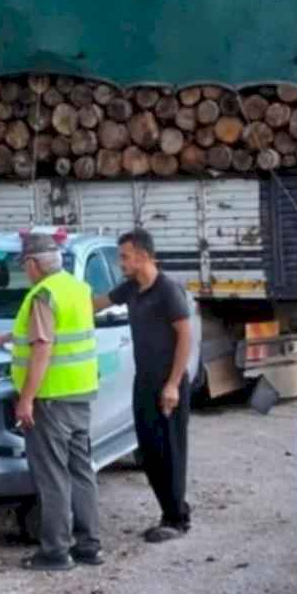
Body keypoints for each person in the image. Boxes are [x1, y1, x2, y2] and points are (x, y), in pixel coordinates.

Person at [0, 233, 102, 571]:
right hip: (79, 394)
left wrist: (26, 399)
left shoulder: (43, 294)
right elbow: (55, 332)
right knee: (80, 471)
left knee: (52, 477)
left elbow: (43, 346)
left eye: (25, 265)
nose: (25, 271)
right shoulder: (76, 288)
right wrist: (6, 337)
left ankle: (55, 551)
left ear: (33, 263)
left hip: (50, 399)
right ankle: (89, 546)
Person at [93, 228, 194, 543]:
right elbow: (95, 304)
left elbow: (185, 336)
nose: (120, 262)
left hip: (168, 384)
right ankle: (172, 509)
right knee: (149, 452)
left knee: (170, 451)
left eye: (124, 257)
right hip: (144, 382)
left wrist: (173, 384)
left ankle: (176, 519)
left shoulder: (167, 291)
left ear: (142, 256)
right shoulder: (131, 288)